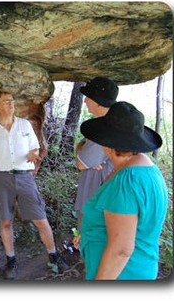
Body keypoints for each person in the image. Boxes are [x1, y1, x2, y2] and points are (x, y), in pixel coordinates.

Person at [0, 91, 68, 279]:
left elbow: (34, 146)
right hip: (2, 178)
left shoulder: (25, 125)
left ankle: (54, 257)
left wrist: (33, 154)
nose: (11, 103)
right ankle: (11, 262)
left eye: (12, 100)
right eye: (6, 101)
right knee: (6, 221)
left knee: (40, 219)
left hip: (25, 176)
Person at [79, 101, 168, 280]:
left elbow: (121, 250)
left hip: (123, 274)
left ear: (109, 143)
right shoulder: (147, 170)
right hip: (138, 267)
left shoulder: (126, 182)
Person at [73, 77, 119, 248]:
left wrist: (83, 154)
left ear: (99, 103)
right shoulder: (103, 126)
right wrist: (82, 150)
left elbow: (80, 164)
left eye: (88, 97)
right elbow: (81, 148)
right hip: (96, 199)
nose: (84, 100)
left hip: (95, 203)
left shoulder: (106, 130)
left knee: (92, 251)